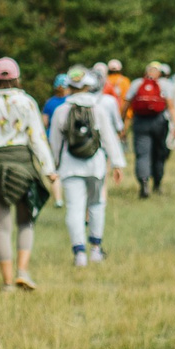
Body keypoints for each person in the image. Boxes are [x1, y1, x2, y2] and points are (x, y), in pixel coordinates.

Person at [0, 56, 60, 291]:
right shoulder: (27, 102)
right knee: (26, 221)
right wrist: (49, 169)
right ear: (17, 78)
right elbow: (37, 137)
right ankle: (23, 272)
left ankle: (7, 282)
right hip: (23, 166)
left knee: (2, 227)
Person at [52, 66, 125, 264]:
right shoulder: (97, 108)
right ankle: (95, 249)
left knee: (74, 209)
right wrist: (117, 163)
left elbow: (55, 142)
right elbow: (109, 138)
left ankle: (79, 254)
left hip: (70, 166)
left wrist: (53, 166)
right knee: (96, 204)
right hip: (96, 165)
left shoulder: (61, 111)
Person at [127, 61, 174, 198]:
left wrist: (123, 124)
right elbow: (171, 107)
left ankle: (144, 182)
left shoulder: (136, 84)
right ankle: (157, 184)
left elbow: (126, 104)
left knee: (142, 154)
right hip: (159, 122)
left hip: (140, 121)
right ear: (159, 73)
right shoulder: (165, 84)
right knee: (159, 154)